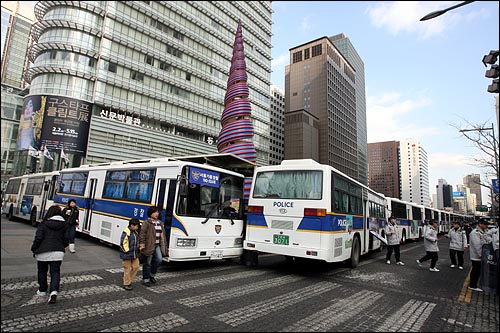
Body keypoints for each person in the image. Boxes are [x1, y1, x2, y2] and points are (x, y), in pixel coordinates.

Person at [30, 205, 69, 304]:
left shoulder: (43, 224)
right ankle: (53, 292)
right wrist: (61, 247)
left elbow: (38, 238)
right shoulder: (65, 225)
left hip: (43, 251)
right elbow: (66, 239)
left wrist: (34, 248)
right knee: (55, 272)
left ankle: (42, 290)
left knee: (42, 271)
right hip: (58, 252)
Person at [139, 207, 168, 286]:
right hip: (149, 245)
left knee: (159, 260)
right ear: (150, 213)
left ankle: (152, 275)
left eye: (157, 212)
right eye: (155, 212)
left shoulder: (160, 223)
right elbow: (142, 234)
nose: (157, 214)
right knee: (147, 263)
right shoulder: (146, 223)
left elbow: (163, 236)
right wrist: (142, 244)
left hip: (157, 245)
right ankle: (146, 279)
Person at [468, 219, 490, 292]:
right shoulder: (475, 233)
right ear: (480, 224)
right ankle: (472, 285)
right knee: (475, 271)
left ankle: (473, 284)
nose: (486, 226)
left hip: (481, 255)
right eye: (485, 224)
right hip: (476, 256)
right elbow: (477, 245)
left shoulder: (483, 232)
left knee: (477, 270)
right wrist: (481, 255)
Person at [120, 218, 141, 291]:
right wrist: (127, 251)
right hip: (127, 254)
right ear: (132, 225)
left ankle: (129, 280)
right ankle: (127, 283)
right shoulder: (126, 232)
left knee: (136, 267)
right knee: (127, 269)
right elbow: (123, 242)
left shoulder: (135, 232)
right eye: (136, 226)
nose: (137, 228)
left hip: (134, 254)